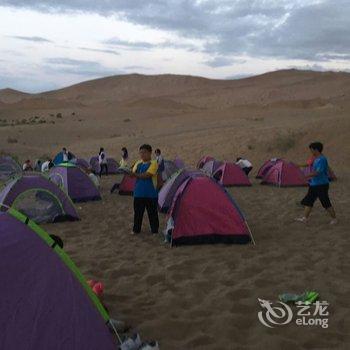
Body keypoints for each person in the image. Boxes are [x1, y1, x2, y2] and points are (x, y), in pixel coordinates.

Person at [296, 142, 337, 225]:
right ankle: (305, 218)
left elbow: (318, 172)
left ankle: (334, 219)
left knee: (325, 202)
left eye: (311, 149)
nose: (311, 151)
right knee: (309, 201)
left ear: (316, 149)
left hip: (321, 185)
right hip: (314, 184)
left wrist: (306, 176)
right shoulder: (316, 158)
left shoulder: (322, 159)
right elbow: (310, 166)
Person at [130, 144, 159, 235]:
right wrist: (128, 172)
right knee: (138, 213)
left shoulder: (154, 163)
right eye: (141, 153)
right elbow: (133, 173)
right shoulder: (138, 163)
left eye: (144, 152)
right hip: (138, 193)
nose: (142, 155)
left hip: (151, 193)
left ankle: (154, 230)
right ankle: (136, 230)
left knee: (152, 213)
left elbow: (147, 175)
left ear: (150, 153)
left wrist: (135, 175)